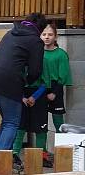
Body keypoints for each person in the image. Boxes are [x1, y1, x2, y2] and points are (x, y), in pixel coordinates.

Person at [0, 12, 45, 167]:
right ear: (40, 29)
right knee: (11, 122)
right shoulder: (35, 41)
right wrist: (26, 82)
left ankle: (0, 158)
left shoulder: (11, 33)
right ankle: (0, 165)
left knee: (7, 120)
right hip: (9, 80)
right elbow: (36, 70)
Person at [12, 23, 72, 164]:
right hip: (39, 91)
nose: (47, 37)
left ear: (55, 36)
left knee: (58, 123)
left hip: (53, 90)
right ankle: (21, 153)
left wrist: (55, 93)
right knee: (31, 124)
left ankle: (63, 153)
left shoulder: (61, 54)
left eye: (50, 34)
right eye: (44, 34)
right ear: (39, 36)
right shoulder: (36, 53)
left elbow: (63, 76)